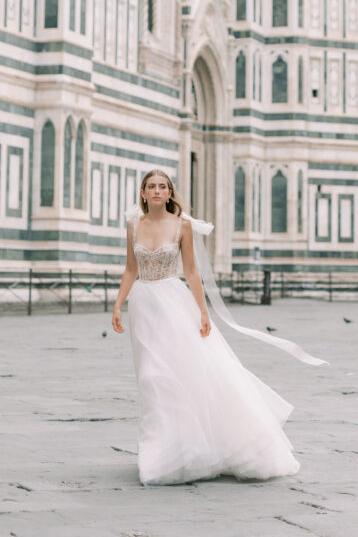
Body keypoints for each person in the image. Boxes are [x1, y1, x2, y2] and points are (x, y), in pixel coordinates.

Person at [111, 168, 324, 485]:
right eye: (151, 186)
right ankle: (163, 453)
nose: (157, 191)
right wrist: (118, 303)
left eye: (163, 187)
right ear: (142, 193)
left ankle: (186, 451)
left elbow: (192, 271)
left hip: (173, 302)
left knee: (184, 371)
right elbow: (131, 268)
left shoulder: (182, 225)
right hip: (143, 305)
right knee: (151, 378)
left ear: (170, 193)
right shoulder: (133, 224)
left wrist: (202, 311)